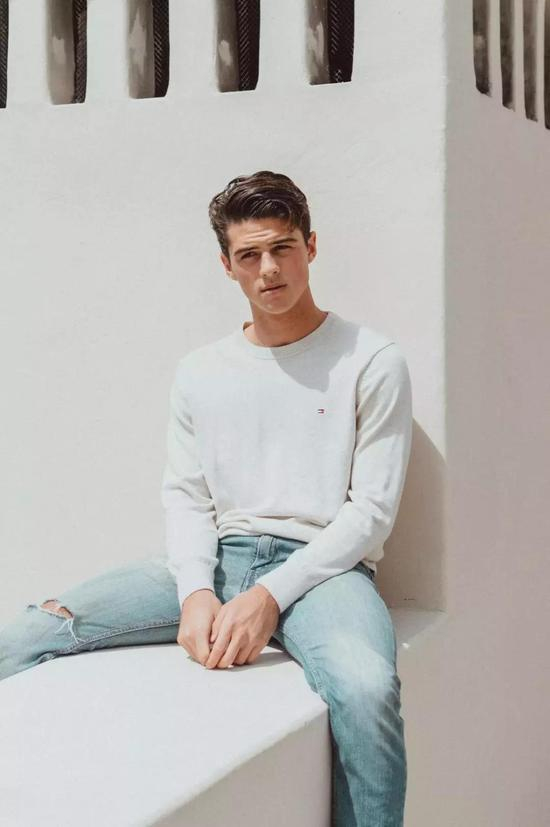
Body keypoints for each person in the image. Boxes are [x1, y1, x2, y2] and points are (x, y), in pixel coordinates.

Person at [0, 170, 412, 827]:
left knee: (367, 689)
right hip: (218, 557)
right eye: (249, 255)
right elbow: (188, 495)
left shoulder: (371, 359)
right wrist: (196, 591)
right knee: (33, 629)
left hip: (326, 572)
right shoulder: (202, 370)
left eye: (282, 248)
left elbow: (372, 513)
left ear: (311, 246)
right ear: (227, 265)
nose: (268, 269)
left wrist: (268, 596)